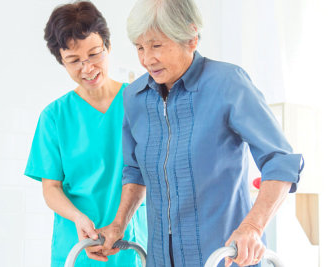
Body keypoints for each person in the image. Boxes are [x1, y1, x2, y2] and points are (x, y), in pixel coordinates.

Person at [95, 0, 304, 267]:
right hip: (160, 259)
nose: (147, 59)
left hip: (222, 257)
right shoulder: (134, 97)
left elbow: (280, 161)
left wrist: (252, 226)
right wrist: (119, 224)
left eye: (156, 45)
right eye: (140, 47)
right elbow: (134, 172)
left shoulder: (228, 83)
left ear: (191, 38)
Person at [24, 1, 147, 266]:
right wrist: (79, 218)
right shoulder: (54, 117)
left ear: (108, 46)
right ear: (62, 62)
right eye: (74, 61)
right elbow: (51, 189)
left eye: (94, 54)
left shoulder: (139, 103)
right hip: (78, 246)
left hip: (130, 242)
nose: (87, 68)